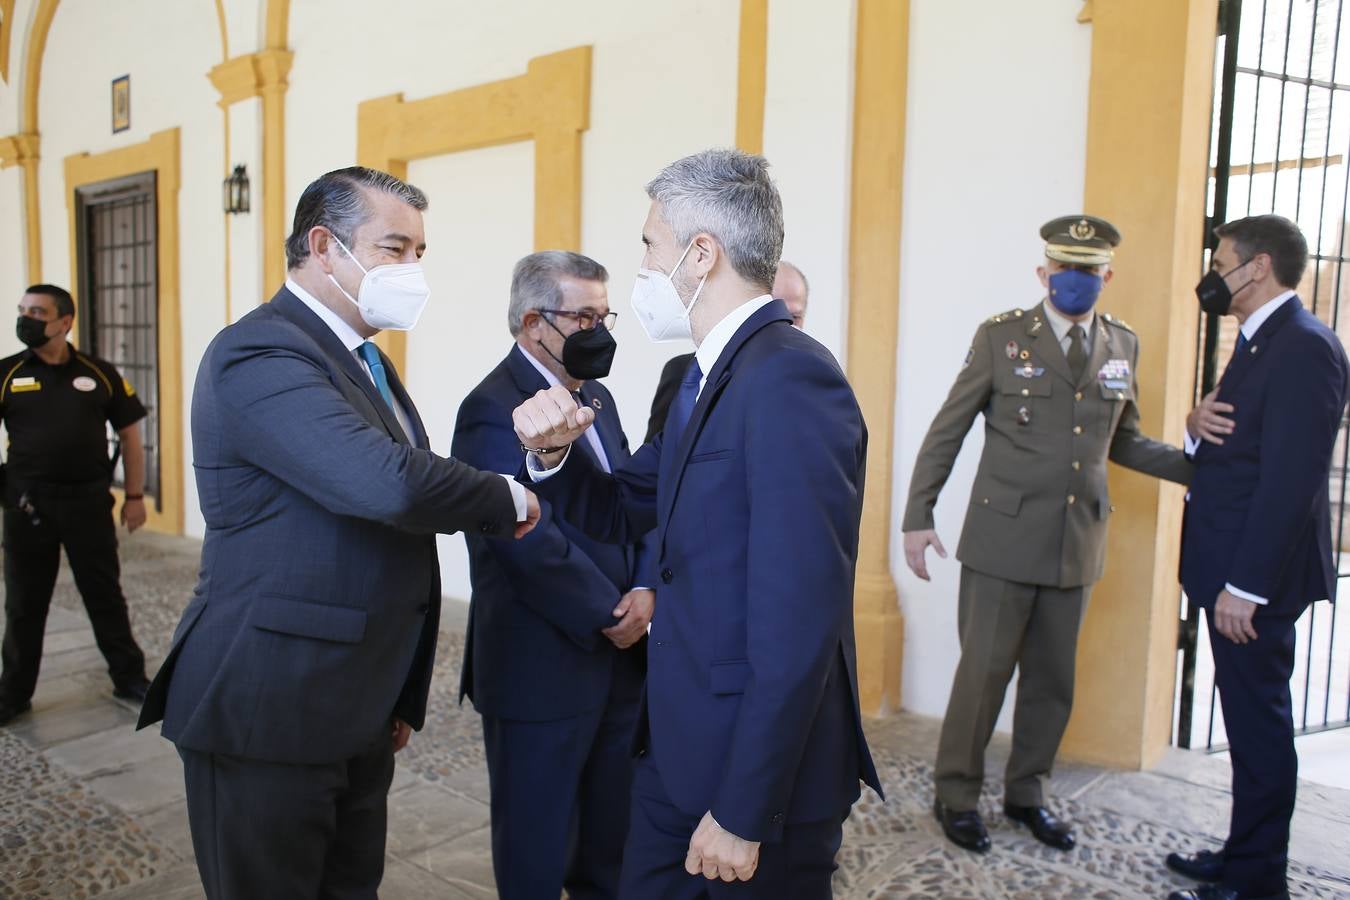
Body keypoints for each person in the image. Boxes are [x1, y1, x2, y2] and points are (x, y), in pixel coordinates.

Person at [136, 166, 540, 900]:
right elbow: (387, 483)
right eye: (394, 248)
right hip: (270, 704)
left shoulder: (364, 358)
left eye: (420, 252)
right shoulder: (258, 352)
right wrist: (507, 496)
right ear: (323, 246)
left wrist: (390, 698)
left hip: (351, 701)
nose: (413, 269)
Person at [513, 148, 880, 899]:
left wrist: (744, 808)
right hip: (680, 754)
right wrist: (553, 456)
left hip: (752, 786)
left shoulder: (790, 377)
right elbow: (628, 503)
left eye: (651, 245)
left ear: (701, 254)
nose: (643, 266)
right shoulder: (701, 373)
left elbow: (799, 620)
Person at [901, 216, 1194, 854]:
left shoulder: (1122, 345)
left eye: (1088, 271)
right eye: (1064, 268)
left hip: (1076, 544)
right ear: (1043, 273)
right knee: (982, 679)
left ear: (1106, 277)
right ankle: (956, 795)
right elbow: (947, 430)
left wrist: (1201, 462)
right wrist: (919, 515)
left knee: (1051, 685)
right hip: (1002, 544)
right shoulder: (1003, 338)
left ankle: (1026, 794)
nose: (1075, 280)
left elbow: (1128, 441)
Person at [452, 250, 654, 899]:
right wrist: (608, 612)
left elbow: (632, 503)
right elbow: (522, 538)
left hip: (620, 659)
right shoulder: (490, 407)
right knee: (536, 847)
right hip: (540, 664)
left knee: (608, 839)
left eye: (605, 313)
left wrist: (645, 588)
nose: (601, 330)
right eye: (586, 316)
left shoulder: (599, 396)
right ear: (535, 321)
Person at [1165, 215, 1349, 900]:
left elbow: (1290, 479)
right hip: (1229, 571)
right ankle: (1243, 852)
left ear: (1259, 265)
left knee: (1260, 729)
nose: (1213, 275)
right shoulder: (1258, 340)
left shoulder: (1303, 347)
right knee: (1245, 724)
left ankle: (1258, 880)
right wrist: (1192, 426)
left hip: (1253, 583)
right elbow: (1235, 443)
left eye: (1222, 261)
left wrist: (1246, 585)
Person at [0, 284, 151, 726]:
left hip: (87, 503)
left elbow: (131, 436)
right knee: (25, 603)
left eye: (37, 311)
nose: (26, 318)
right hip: (29, 508)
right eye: (23, 310)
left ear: (64, 322)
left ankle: (129, 678)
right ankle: (13, 693)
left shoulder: (99, 374)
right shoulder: (8, 373)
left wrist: (136, 497)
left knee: (104, 595)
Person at [645, 260, 808, 442]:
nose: (784, 322)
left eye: (795, 316)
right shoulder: (688, 373)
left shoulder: (811, 381)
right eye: (774, 310)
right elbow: (658, 460)